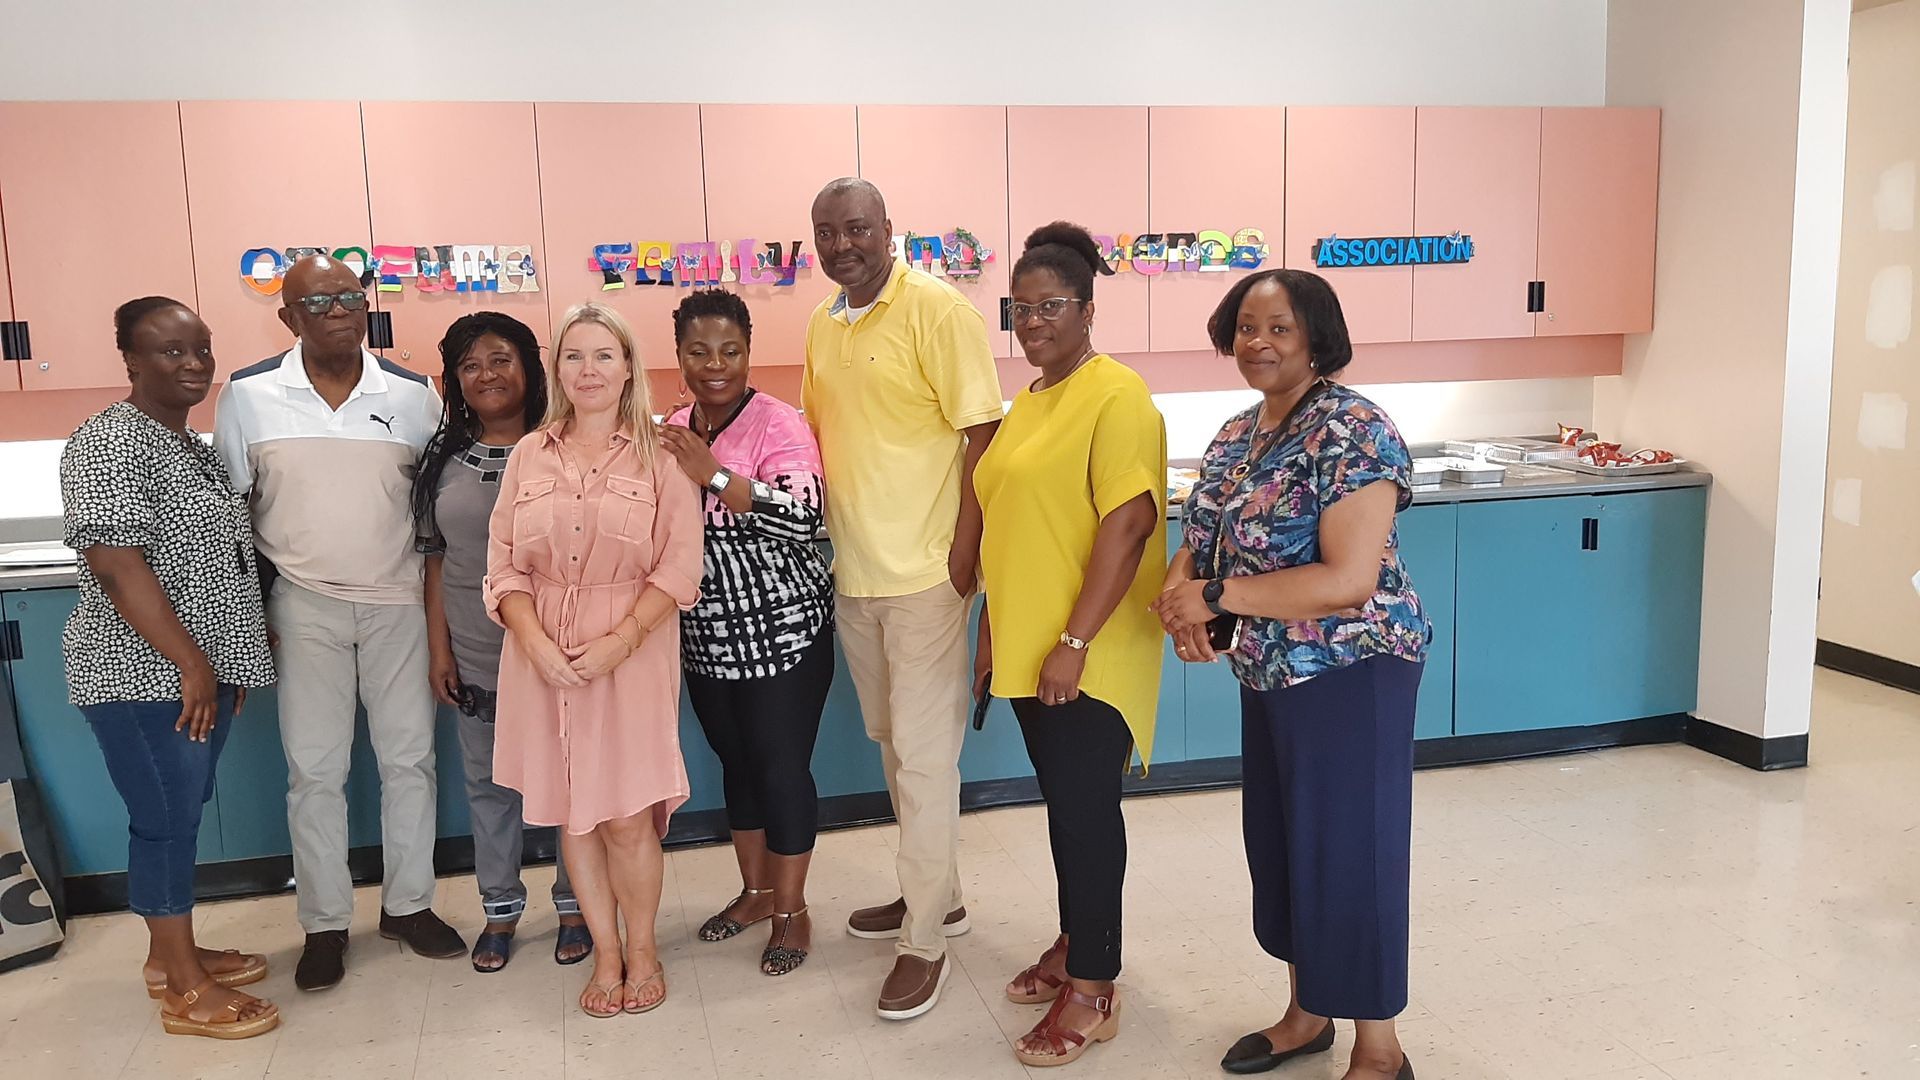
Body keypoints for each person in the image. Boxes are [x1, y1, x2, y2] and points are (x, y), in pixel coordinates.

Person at [1152, 269, 1428, 1080]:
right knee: (1284, 846)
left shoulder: (1355, 430)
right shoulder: (1240, 432)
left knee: (1352, 848)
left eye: (1278, 328)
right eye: (1245, 327)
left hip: (1352, 669)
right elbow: (1198, 538)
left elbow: (1349, 579)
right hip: (1271, 670)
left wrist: (1213, 597)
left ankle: (1379, 1048)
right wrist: (1182, 606)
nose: (1257, 343)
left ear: (1316, 335)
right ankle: (1308, 1012)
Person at [214, 254, 464, 991]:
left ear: (367, 305)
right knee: (314, 771)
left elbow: (436, 510)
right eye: (316, 300)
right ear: (288, 317)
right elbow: (235, 515)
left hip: (399, 605)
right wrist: (248, 618)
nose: (336, 309)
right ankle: (324, 923)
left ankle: (409, 906)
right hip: (302, 606)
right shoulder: (250, 395)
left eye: (349, 295)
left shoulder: (416, 396)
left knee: (409, 761)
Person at [802, 177, 1003, 1020]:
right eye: (827, 232)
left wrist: (967, 551)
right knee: (895, 749)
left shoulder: (938, 310)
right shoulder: (823, 323)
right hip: (857, 575)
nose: (843, 243)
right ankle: (939, 893)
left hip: (926, 575)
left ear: (891, 230)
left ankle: (924, 943)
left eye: (858, 228)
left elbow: (984, 432)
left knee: (923, 763)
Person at [59, 297, 280, 1040]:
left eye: (200, 348)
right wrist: (192, 664)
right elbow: (119, 566)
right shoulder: (108, 443)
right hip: (140, 678)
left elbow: (215, 564)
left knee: (177, 815)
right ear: (129, 359)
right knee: (164, 823)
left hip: (192, 674)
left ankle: (169, 958)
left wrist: (228, 662)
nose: (192, 365)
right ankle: (184, 990)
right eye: (168, 351)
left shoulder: (188, 444)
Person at [974, 224, 1166, 1067]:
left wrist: (1075, 640)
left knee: (1086, 819)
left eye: (1052, 304)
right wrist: (994, 636)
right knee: (1065, 812)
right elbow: (1011, 528)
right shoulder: (1033, 399)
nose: (1034, 319)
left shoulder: (1116, 395)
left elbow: (1128, 524)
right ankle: (1074, 940)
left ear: (1089, 308)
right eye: (1021, 306)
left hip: (1087, 654)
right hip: (1030, 649)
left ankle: (1094, 986)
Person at [484, 301, 703, 1018]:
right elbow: (503, 569)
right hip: (541, 658)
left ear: (629, 367)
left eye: (604, 355)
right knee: (575, 818)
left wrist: (619, 641)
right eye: (574, 357)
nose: (588, 370)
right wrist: (539, 646)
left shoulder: (662, 454)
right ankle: (605, 955)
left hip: (631, 656)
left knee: (628, 818)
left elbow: (679, 567)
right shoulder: (529, 454)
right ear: (557, 371)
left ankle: (642, 949)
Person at [660, 290, 834, 977]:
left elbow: (803, 517)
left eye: (730, 351)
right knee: (737, 767)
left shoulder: (779, 424)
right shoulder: (671, 427)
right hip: (706, 638)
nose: (715, 365)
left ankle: (792, 910)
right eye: (699, 352)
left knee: (781, 768)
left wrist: (716, 474)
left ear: (748, 354)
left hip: (785, 633)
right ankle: (757, 892)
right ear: (678, 356)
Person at [412, 312, 592, 973]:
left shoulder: (563, 445)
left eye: (501, 359)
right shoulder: (445, 460)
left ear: (529, 368)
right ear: (455, 381)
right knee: (489, 785)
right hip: (476, 651)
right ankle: (500, 910)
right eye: (470, 365)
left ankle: (576, 904)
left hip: (555, 651)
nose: (486, 374)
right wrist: (440, 650)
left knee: (568, 783)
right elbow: (434, 559)